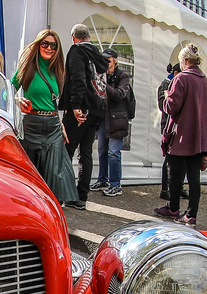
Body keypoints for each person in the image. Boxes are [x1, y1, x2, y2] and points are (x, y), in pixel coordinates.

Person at [154, 43, 207, 226]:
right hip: (199, 136)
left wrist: (166, 95)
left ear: (184, 61)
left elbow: (171, 107)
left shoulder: (181, 78)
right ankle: (191, 214)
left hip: (182, 134)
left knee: (174, 172)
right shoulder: (204, 80)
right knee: (193, 177)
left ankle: (174, 207)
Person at [11, 30, 77, 205]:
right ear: (38, 45)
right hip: (31, 124)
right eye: (45, 44)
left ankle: (51, 211)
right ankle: (29, 208)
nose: (49, 48)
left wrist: (61, 124)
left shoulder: (57, 71)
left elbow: (53, 102)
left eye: (53, 45)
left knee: (56, 174)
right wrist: (16, 99)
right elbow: (7, 91)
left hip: (53, 125)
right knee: (31, 172)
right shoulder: (27, 67)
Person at [59, 24, 108, 210]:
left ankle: (64, 194)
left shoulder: (77, 51)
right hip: (97, 109)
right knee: (86, 153)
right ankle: (81, 197)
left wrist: (75, 106)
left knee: (67, 150)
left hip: (81, 108)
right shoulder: (98, 54)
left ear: (74, 37)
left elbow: (78, 79)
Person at [99, 50, 133, 197]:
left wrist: (104, 85)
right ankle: (102, 179)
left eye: (109, 60)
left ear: (115, 61)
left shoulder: (122, 76)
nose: (106, 63)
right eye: (104, 60)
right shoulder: (102, 75)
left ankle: (115, 184)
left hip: (118, 119)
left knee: (114, 153)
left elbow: (120, 94)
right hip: (103, 117)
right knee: (101, 150)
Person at [157, 63, 179, 200]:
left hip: (174, 125)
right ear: (176, 73)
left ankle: (177, 187)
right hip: (168, 125)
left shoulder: (174, 82)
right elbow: (162, 106)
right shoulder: (166, 83)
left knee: (176, 160)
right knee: (169, 159)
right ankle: (165, 188)